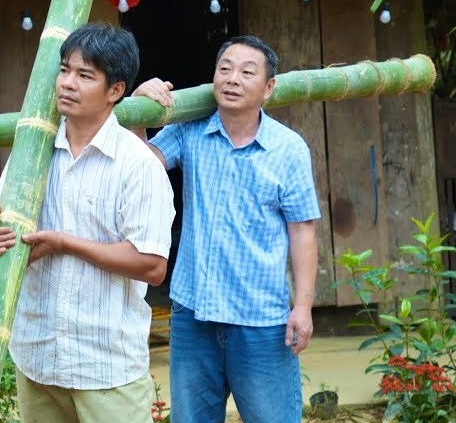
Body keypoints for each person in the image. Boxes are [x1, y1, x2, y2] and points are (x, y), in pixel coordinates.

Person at [0, 23, 175, 423]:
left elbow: (152, 266)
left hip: (106, 365)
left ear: (115, 90)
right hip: (37, 357)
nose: (67, 83)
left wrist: (67, 243)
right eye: (65, 70)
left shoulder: (138, 164)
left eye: (85, 76)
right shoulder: (32, 151)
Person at [133, 34, 319, 423]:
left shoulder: (288, 149)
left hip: (262, 321)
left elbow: (302, 231)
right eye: (225, 69)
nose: (233, 78)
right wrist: (137, 107)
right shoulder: (191, 129)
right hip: (193, 315)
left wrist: (302, 306)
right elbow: (141, 167)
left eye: (247, 72)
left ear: (268, 88)